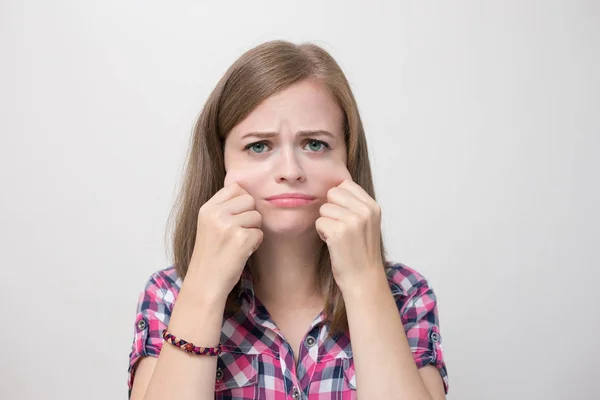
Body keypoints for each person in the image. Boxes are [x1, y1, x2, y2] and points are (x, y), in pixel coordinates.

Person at [127, 40, 449, 400]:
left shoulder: (405, 295)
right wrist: (204, 286)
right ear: (221, 164)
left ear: (348, 159)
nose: (290, 171)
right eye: (259, 146)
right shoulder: (169, 296)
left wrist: (364, 280)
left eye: (315, 144)